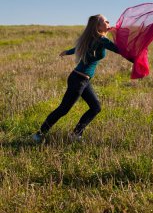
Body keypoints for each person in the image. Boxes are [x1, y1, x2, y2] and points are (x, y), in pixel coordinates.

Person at [32, 14, 126, 143]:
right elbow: (119, 50)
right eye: (105, 21)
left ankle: (76, 134)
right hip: (78, 80)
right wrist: (136, 58)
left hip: (82, 80)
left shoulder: (93, 38)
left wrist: (67, 52)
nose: (109, 22)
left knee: (95, 107)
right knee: (64, 109)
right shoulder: (101, 40)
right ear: (98, 26)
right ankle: (39, 134)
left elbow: (77, 48)